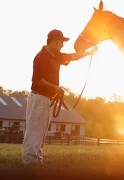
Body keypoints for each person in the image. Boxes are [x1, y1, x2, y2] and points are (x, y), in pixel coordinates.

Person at [22, 29, 97, 167]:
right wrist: (55, 88)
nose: (62, 45)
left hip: (46, 99)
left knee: (42, 130)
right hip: (39, 98)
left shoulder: (55, 56)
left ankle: (37, 159)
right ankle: (30, 161)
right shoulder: (41, 57)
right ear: (54, 40)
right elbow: (37, 80)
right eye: (61, 41)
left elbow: (72, 57)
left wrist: (88, 53)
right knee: (35, 130)